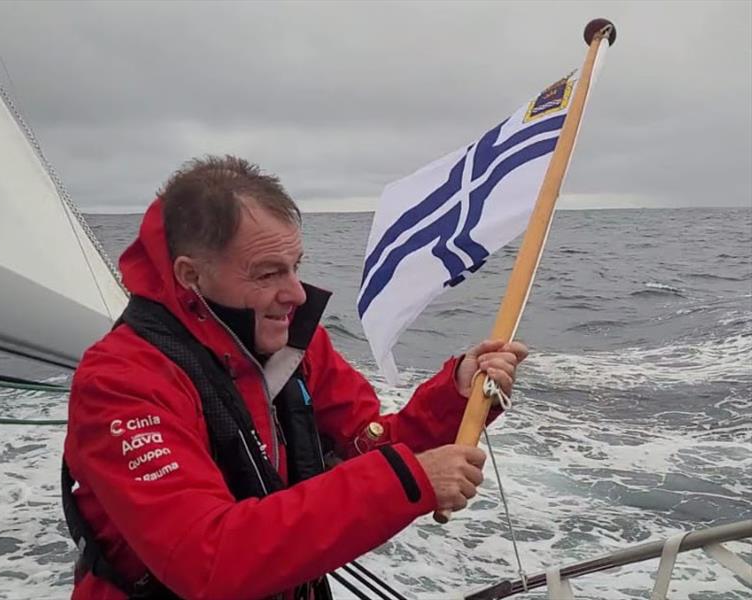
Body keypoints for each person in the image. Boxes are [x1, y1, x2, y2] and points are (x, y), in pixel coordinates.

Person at [62, 155, 528, 600]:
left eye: (295, 266)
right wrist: (408, 482)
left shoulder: (293, 343)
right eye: (268, 274)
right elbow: (206, 559)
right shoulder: (120, 382)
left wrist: (457, 397)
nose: (297, 294)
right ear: (191, 275)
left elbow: (368, 447)